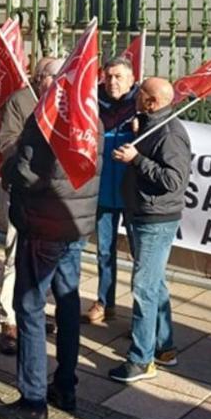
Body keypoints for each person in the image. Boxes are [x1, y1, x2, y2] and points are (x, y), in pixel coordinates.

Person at [0, 88, 103, 419]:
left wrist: (11, 161)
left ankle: (32, 400)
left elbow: (25, 173)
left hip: (43, 227)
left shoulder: (46, 122)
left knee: (29, 308)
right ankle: (66, 385)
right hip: (74, 225)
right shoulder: (92, 119)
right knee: (68, 303)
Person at [107, 77, 191, 383]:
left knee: (143, 287)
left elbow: (174, 180)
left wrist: (136, 159)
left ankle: (141, 359)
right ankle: (164, 346)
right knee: (155, 283)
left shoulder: (170, 133)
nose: (135, 95)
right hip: (141, 211)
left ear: (151, 101)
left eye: (140, 92)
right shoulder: (150, 123)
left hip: (156, 218)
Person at [0, 56, 60, 355]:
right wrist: (28, 159)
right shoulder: (20, 101)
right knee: (14, 253)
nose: (59, 83)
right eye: (54, 77)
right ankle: (8, 318)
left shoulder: (62, 102)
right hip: (21, 187)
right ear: (39, 77)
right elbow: (6, 142)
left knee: (42, 255)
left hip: (50, 193)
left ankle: (34, 308)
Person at [84, 57, 138, 325]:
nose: (113, 82)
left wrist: (144, 127)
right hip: (104, 189)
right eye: (109, 76)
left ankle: (141, 315)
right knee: (104, 250)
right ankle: (105, 302)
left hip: (132, 192)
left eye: (119, 77)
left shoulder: (142, 104)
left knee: (140, 255)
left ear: (131, 79)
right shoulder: (94, 103)